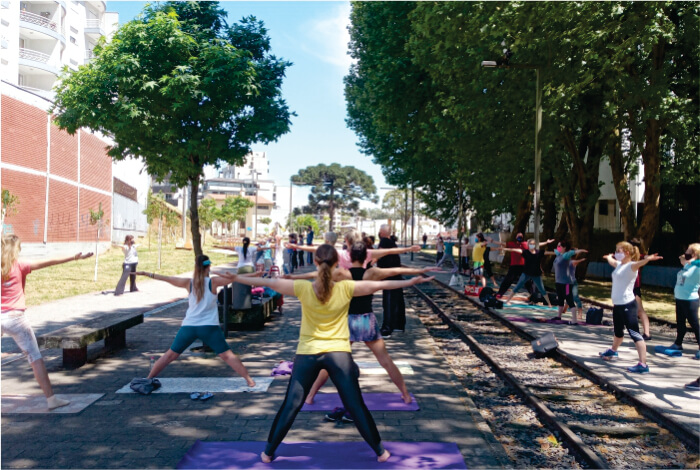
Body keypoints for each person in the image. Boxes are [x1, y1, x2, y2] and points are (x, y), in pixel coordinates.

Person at [225, 244, 434, 463]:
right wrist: (411, 281)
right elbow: (378, 285)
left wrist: (236, 278)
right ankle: (381, 453)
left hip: (307, 354)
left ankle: (268, 454)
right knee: (355, 404)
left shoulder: (303, 288)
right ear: (337, 264)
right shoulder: (346, 288)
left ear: (315, 263)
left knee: (291, 404)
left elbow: (267, 282)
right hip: (339, 354)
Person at [287, 242, 438, 406]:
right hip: (367, 321)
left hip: (347, 322)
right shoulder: (373, 272)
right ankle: (406, 394)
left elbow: (314, 274)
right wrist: (420, 271)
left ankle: (310, 396)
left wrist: (293, 278)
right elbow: (397, 270)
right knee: (385, 360)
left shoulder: (342, 273)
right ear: (367, 256)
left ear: (349, 257)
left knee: (330, 363)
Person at [1, 234, 93, 410]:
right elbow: (50, 261)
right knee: (35, 358)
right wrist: (74, 257)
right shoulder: (20, 265)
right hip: (16, 319)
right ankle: (51, 400)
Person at [134, 255, 256, 386]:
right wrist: (256, 275)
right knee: (227, 355)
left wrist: (147, 274)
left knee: (169, 355)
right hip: (209, 328)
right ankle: (249, 381)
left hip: (189, 327)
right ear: (208, 267)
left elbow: (167, 278)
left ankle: (148, 378)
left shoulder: (188, 283)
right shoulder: (213, 282)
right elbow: (236, 278)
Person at [598, 242, 662, 373]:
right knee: (618, 332)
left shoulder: (631, 266)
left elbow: (639, 263)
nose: (616, 253)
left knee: (635, 334)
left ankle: (643, 364)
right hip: (618, 305)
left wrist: (648, 259)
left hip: (628, 305)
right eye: (616, 251)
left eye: (618, 251)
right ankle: (613, 351)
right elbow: (612, 262)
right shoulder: (619, 265)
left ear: (627, 252)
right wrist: (609, 257)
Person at [664, 244, 700, 389]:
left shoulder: (697, 267)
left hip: (690, 300)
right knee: (680, 322)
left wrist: (692, 261)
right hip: (680, 298)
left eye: (689, 252)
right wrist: (685, 262)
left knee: (695, 324)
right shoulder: (688, 266)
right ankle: (678, 343)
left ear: (695, 254)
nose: (686, 254)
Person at [502, 239, 556, 307]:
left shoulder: (539, 252)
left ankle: (549, 304)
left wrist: (559, 253)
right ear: (528, 245)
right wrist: (504, 249)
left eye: (533, 244)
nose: (532, 245)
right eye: (530, 244)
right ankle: (508, 300)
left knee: (542, 289)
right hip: (526, 274)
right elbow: (514, 250)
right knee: (518, 286)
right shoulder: (525, 252)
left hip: (536, 274)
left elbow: (549, 253)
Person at [545, 240, 588, 323]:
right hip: (558, 282)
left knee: (569, 299)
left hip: (567, 283)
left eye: (559, 246)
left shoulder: (566, 256)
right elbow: (552, 252)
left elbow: (573, 252)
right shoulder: (559, 254)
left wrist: (581, 250)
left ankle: (574, 320)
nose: (558, 247)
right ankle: (558, 316)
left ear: (564, 247)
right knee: (560, 299)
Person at [495, 232, 531, 298]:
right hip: (514, 266)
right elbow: (503, 243)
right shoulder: (512, 244)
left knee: (528, 281)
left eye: (521, 236)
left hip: (523, 266)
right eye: (518, 236)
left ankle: (534, 296)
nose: (519, 237)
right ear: (516, 237)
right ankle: (500, 293)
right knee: (508, 280)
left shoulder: (525, 244)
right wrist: (492, 241)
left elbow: (535, 246)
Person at [629, 238, 651, 340]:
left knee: (640, 310)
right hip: (629, 287)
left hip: (634, 287)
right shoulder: (629, 258)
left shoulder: (638, 258)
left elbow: (646, 257)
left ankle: (647, 333)